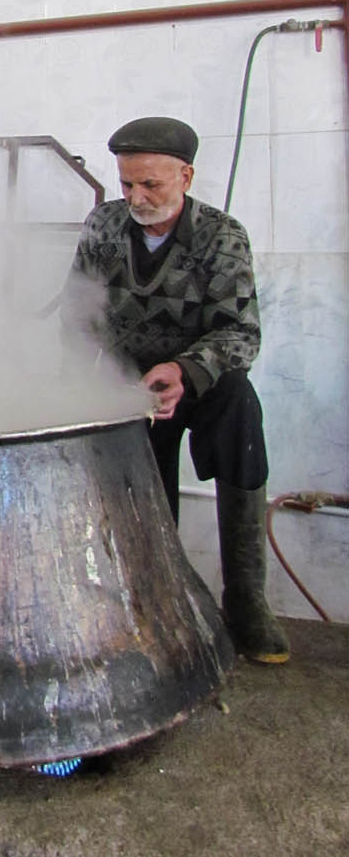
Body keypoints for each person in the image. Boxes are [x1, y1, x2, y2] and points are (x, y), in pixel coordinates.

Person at [61, 116, 288, 664]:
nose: (136, 197)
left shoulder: (221, 236)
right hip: (128, 381)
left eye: (151, 185)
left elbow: (240, 333)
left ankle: (246, 600)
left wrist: (184, 371)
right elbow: (76, 315)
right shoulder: (104, 226)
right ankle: (153, 598)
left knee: (240, 410)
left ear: (185, 177)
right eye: (127, 184)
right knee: (138, 473)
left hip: (197, 380)